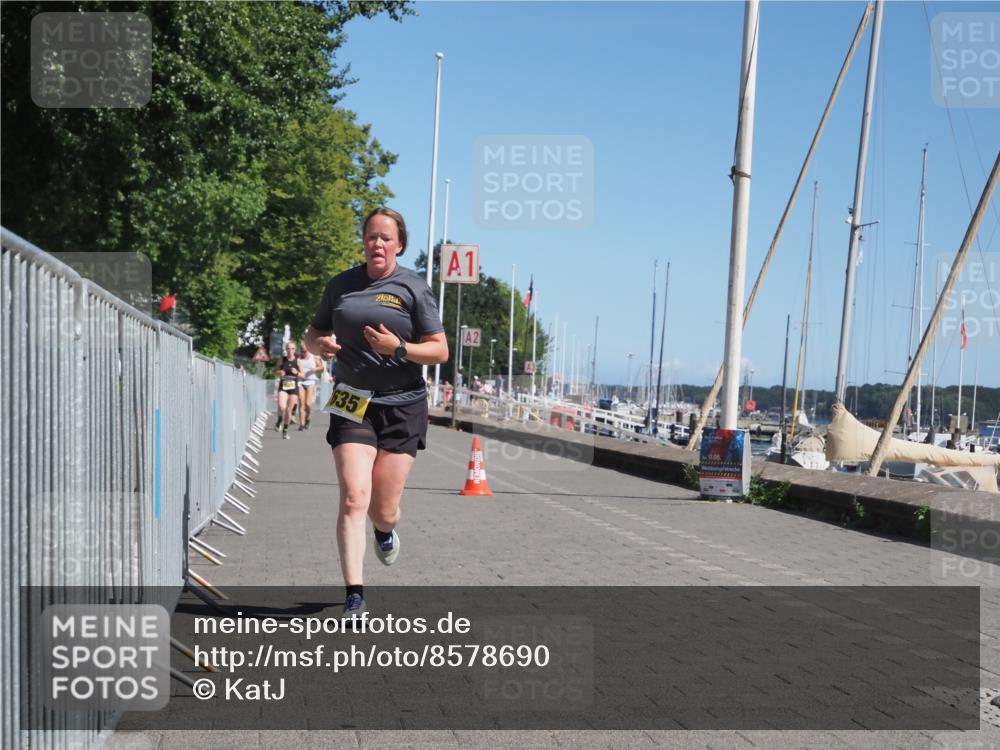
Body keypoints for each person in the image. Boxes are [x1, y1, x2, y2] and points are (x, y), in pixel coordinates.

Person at [305, 207, 448, 618]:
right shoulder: (342, 286)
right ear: (364, 242)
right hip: (353, 401)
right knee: (354, 497)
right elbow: (313, 334)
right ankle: (354, 595)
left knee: (382, 508)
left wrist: (398, 349)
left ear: (399, 244)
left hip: (403, 405)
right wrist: (320, 347)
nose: (378, 243)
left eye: (386, 237)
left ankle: (385, 532)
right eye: (371, 236)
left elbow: (439, 349)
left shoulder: (414, 288)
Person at [273, 342, 302, 440]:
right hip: (283, 387)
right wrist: (279, 372)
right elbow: (274, 371)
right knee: (282, 406)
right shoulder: (282, 360)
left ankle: (285, 430)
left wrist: (297, 372)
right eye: (288, 349)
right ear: (286, 350)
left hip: (293, 389)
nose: (290, 350)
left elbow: (303, 375)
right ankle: (279, 419)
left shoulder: (298, 360)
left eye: (292, 348)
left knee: (289, 410)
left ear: (295, 350)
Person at [296, 345, 324, 430]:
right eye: (301, 351)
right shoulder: (298, 359)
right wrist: (298, 372)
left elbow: (322, 367)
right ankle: (301, 424)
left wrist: (314, 369)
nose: (303, 353)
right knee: (301, 402)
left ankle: (307, 419)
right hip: (300, 381)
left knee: (308, 404)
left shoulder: (313, 357)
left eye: (305, 351)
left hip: (310, 381)